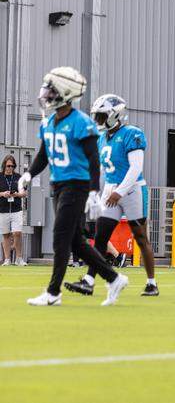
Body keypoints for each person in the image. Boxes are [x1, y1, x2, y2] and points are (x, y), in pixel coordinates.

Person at [23, 67, 128, 306]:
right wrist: (28, 174)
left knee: (60, 236)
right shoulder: (49, 122)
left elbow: (93, 159)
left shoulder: (81, 122)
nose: (47, 94)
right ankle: (114, 278)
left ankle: (53, 292)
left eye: (52, 90)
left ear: (65, 93)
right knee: (75, 242)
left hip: (77, 185)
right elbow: (43, 156)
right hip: (58, 185)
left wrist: (93, 191)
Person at [66, 93, 159, 297]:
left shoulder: (132, 133)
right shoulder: (102, 138)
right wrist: (92, 192)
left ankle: (152, 283)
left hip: (133, 190)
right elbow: (101, 169)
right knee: (100, 237)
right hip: (111, 189)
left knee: (141, 238)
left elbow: (136, 168)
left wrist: (119, 191)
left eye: (101, 116)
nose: (98, 120)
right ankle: (89, 281)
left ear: (114, 115)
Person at [0, 155, 27, 265]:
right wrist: (3, 194)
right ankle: (7, 259)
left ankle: (19, 258)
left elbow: (24, 193)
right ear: (4, 165)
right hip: (3, 209)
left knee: (17, 233)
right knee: (6, 234)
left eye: (12, 166)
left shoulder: (18, 177)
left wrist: (17, 194)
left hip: (16, 209)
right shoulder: (0, 177)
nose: (10, 168)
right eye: (8, 166)